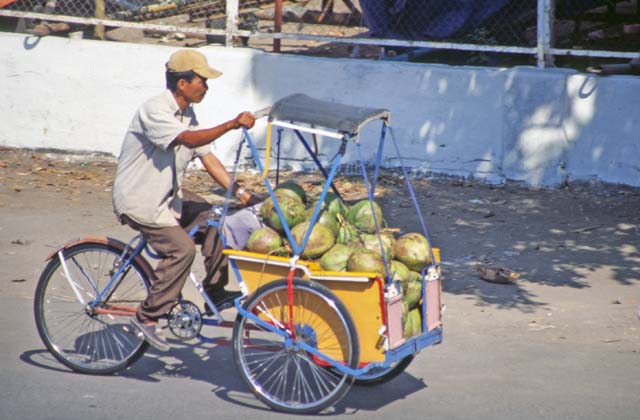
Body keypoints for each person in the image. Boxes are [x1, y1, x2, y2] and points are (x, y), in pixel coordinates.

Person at [112, 49, 260, 352]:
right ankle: (148, 317)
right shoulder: (154, 110)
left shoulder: (187, 114)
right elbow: (189, 141)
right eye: (202, 81)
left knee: (217, 219)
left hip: (169, 198)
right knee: (180, 251)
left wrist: (242, 194)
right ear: (182, 83)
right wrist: (231, 124)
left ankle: (215, 291)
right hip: (141, 201)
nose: (206, 86)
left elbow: (208, 158)